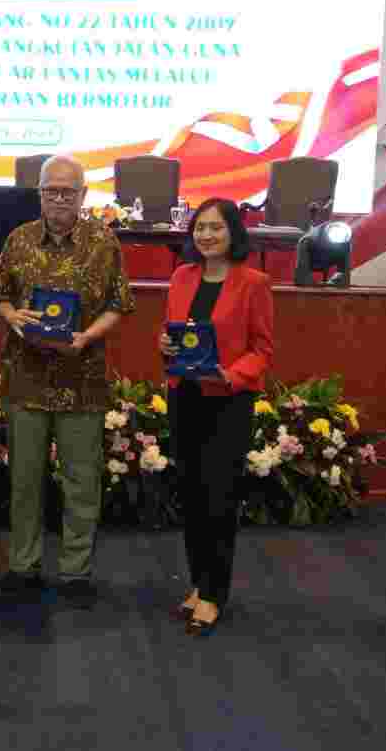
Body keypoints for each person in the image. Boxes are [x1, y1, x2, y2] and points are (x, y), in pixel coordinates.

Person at [0, 156, 135, 606]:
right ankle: (24, 566)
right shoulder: (18, 239)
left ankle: (76, 571)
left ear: (83, 195)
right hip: (27, 378)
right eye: (50, 190)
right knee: (25, 480)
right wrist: (12, 316)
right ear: (39, 193)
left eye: (67, 191)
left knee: (81, 480)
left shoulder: (104, 242)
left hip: (82, 378)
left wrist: (88, 336)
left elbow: (119, 303)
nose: (59, 198)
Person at [158, 198, 273, 636]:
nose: (206, 235)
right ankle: (198, 583)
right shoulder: (181, 276)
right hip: (184, 397)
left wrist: (232, 374)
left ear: (233, 232)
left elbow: (262, 349)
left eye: (216, 227)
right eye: (200, 228)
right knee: (191, 495)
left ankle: (213, 594)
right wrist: (164, 345)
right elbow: (173, 332)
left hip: (227, 402)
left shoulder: (254, 283)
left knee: (219, 498)